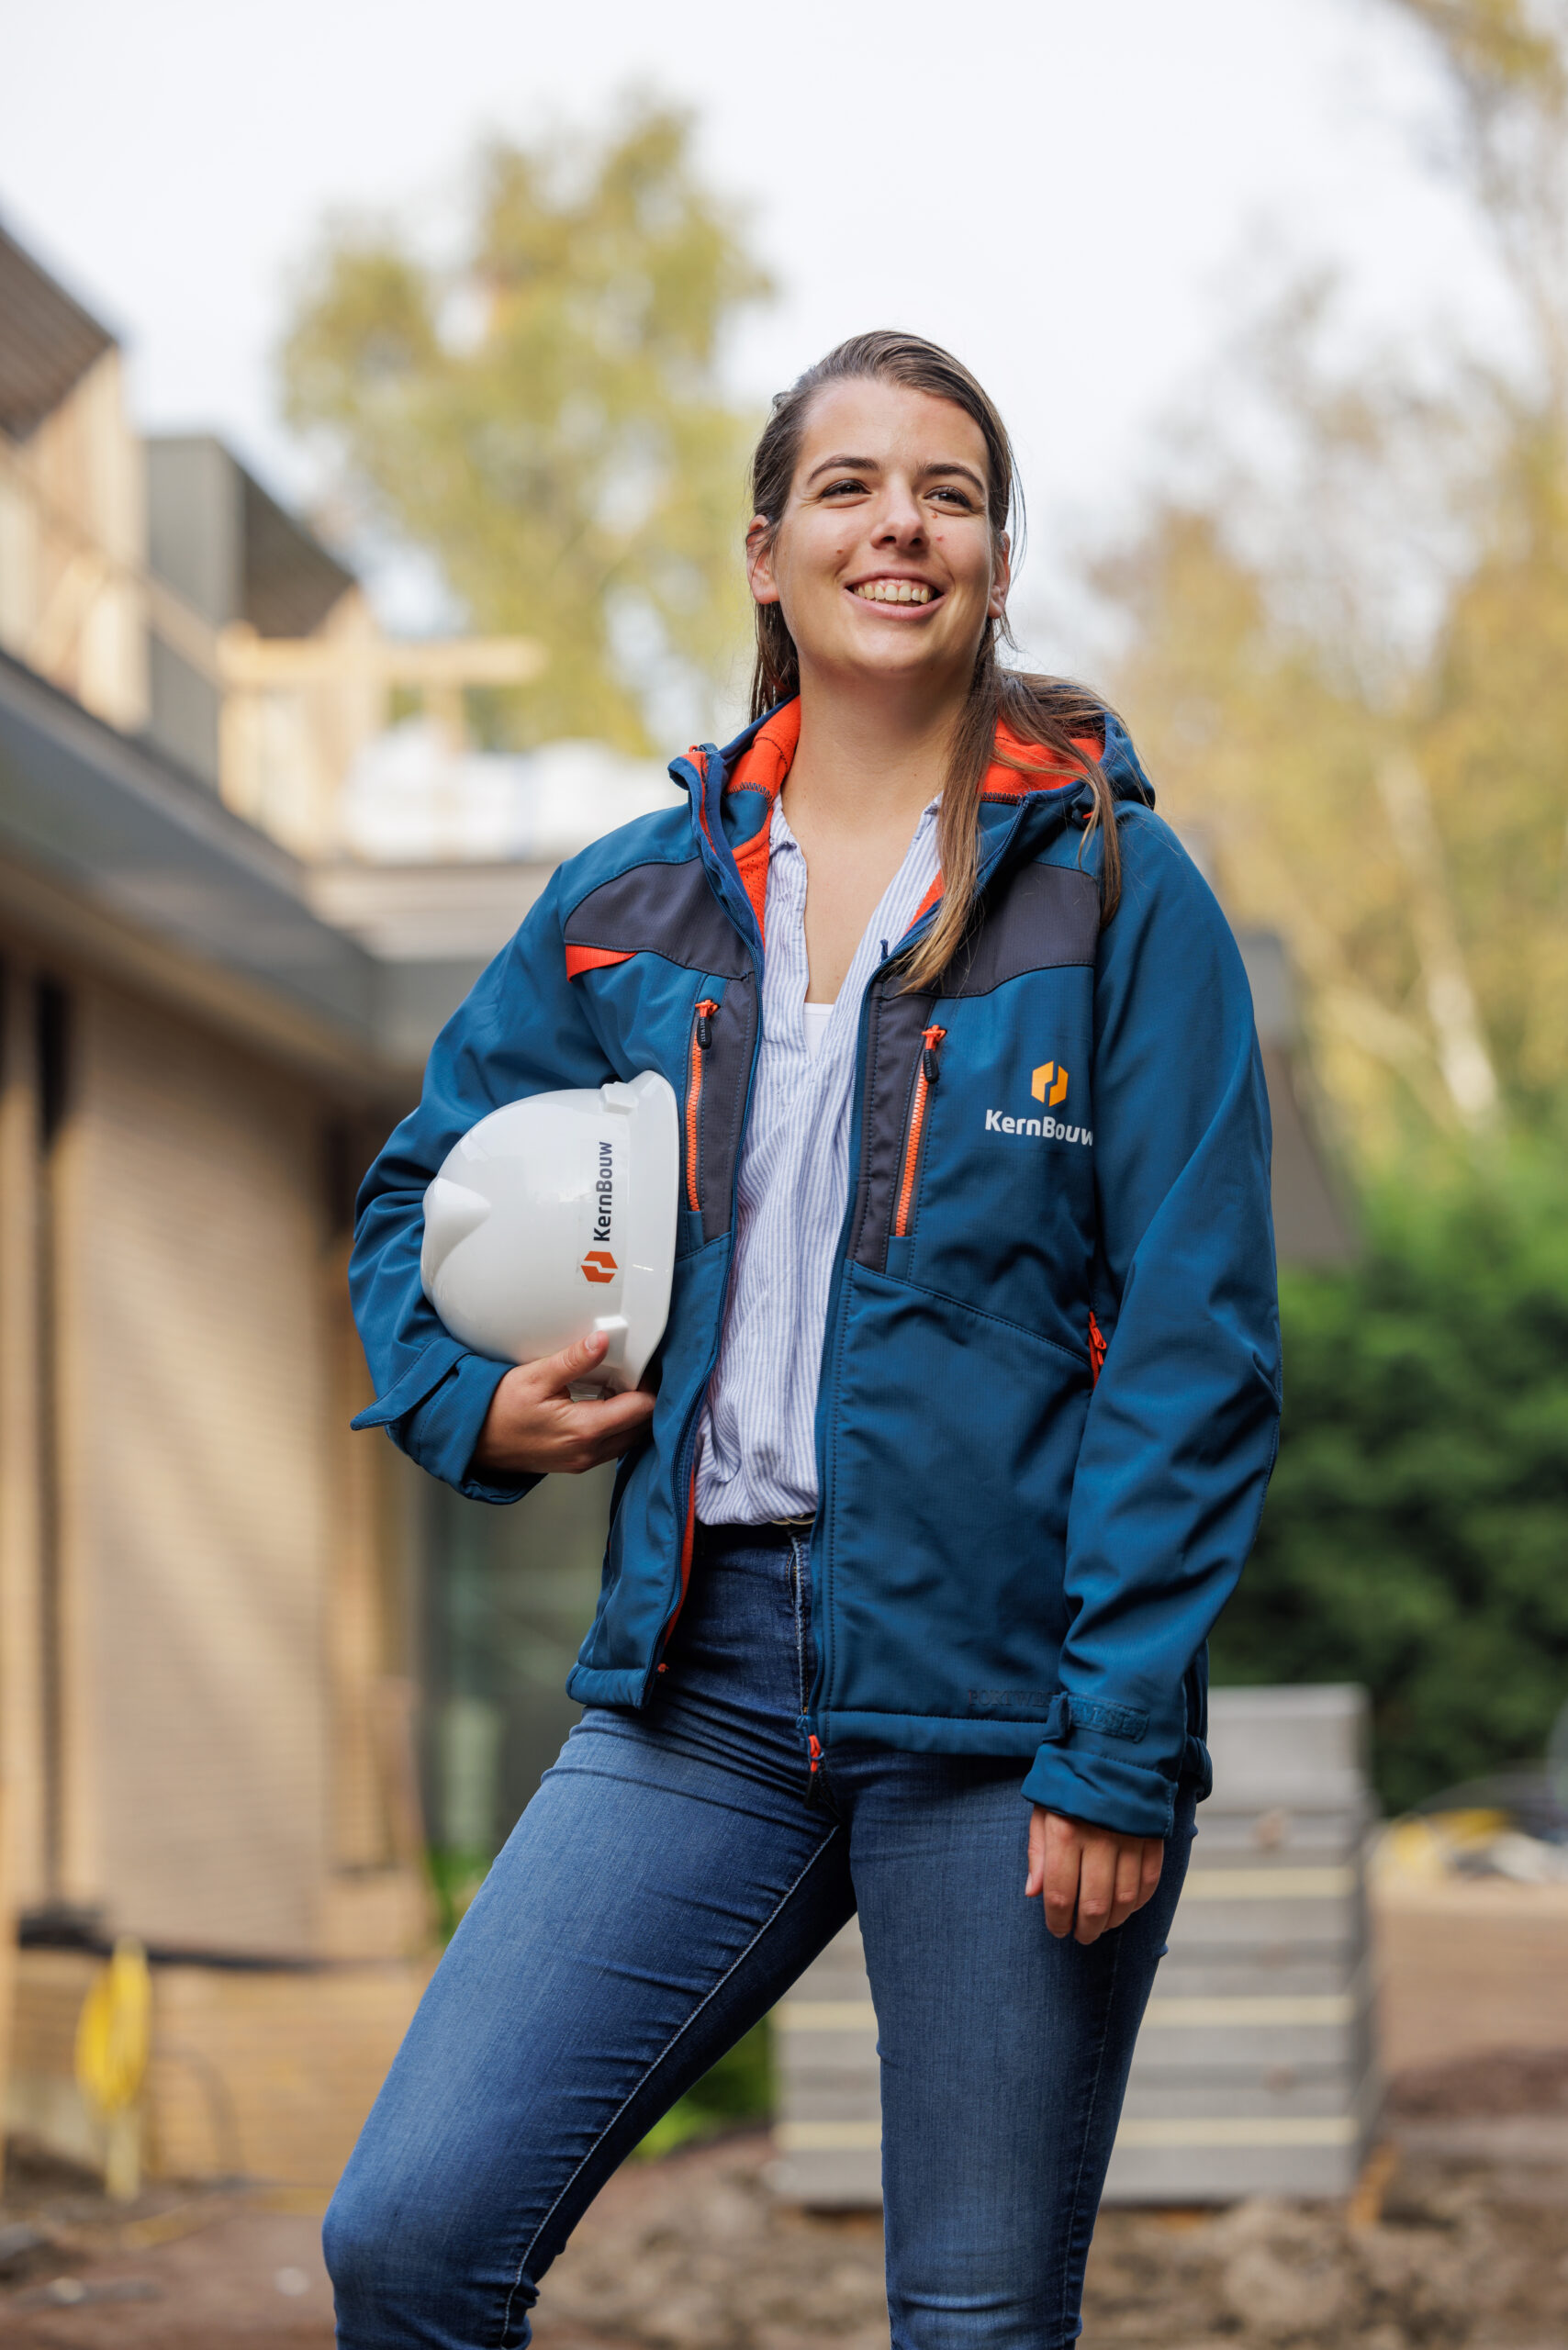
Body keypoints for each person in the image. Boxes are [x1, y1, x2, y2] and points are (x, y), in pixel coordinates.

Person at [326, 330, 1282, 2349]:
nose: (897, 524)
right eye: (847, 486)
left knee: (968, 2319)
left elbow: (1194, 1344)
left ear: (997, 564)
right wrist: (468, 1401)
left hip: (1005, 1704)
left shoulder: (1115, 895)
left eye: (945, 491)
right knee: (411, 2236)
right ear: (764, 552)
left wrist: (1109, 1740)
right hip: (699, 1690)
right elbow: (414, 1192)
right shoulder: (631, 902)